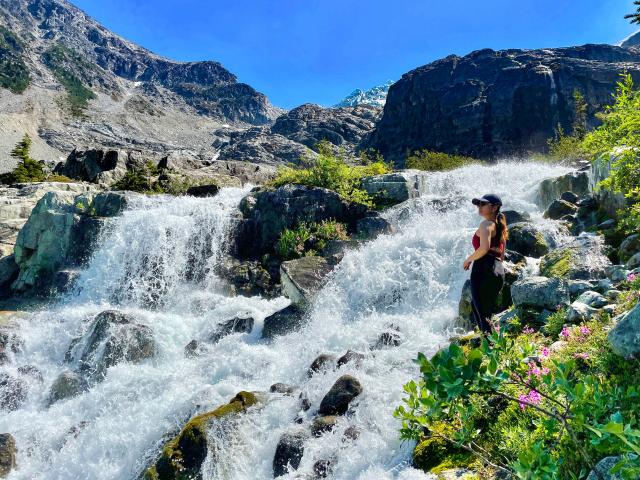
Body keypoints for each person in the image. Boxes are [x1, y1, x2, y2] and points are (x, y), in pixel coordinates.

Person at [462, 194, 508, 334]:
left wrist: (469, 259)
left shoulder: (486, 224)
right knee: (484, 313)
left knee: (482, 317)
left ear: (494, 208)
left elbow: (484, 248)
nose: (479, 207)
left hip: (483, 269)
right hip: (498, 271)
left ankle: (490, 350)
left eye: (483, 204)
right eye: (478, 204)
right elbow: (501, 255)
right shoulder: (500, 228)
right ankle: (493, 345)